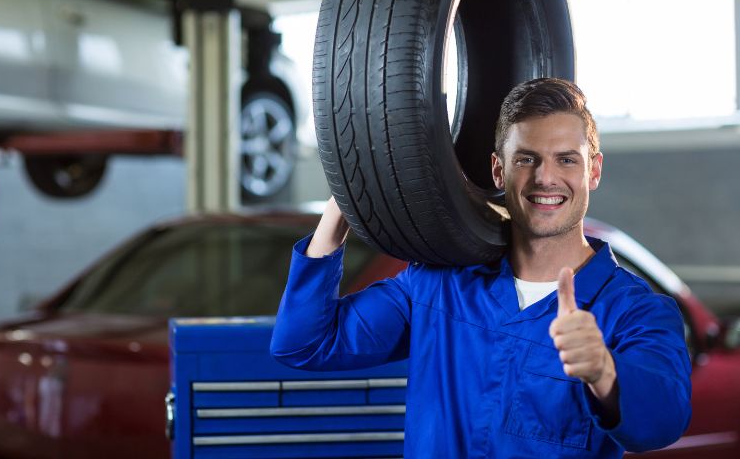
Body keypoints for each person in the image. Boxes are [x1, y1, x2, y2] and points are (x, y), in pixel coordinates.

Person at [271, 78, 691, 457]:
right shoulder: (437, 284)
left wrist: (603, 371)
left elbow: (662, 423)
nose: (546, 178)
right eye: (526, 159)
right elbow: (305, 344)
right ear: (498, 169)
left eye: (567, 160)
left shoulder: (635, 311)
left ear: (593, 170)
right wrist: (346, 201)